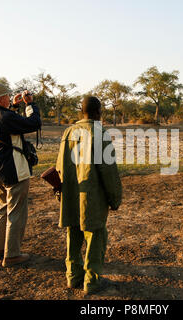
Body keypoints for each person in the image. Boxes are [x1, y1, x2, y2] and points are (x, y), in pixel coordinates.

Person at [56, 96, 122, 295]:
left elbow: (59, 166)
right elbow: (108, 172)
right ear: (98, 112)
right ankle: (92, 281)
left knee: (73, 234)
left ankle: (72, 276)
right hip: (93, 198)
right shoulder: (100, 133)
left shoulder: (68, 132)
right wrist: (115, 198)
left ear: (81, 111)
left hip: (71, 194)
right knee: (95, 236)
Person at [0, 81, 41, 267]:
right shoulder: (5, 117)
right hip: (14, 169)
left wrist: (14, 106)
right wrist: (30, 104)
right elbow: (34, 123)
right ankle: (12, 254)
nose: (9, 97)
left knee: (3, 209)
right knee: (16, 212)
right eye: (7, 96)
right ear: (0, 98)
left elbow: (8, 123)